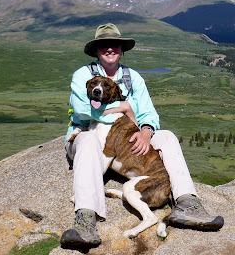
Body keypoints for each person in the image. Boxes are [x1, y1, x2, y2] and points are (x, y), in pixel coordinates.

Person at [60, 23, 224, 248]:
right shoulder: (83, 75)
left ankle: (187, 203)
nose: (110, 49)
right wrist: (124, 110)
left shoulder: (132, 77)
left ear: (121, 49)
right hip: (85, 136)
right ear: (97, 50)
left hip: (126, 135)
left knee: (166, 136)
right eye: (104, 45)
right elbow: (82, 110)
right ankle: (86, 219)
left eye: (115, 45)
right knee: (88, 139)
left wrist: (146, 130)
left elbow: (149, 113)